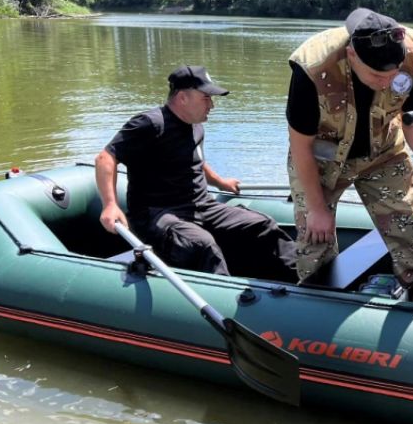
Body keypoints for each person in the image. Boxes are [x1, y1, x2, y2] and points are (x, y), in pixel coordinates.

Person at [285, 7, 413, 288]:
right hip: (322, 161)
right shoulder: (312, 67)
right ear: (352, 55)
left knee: (408, 233)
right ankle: (319, 304)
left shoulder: (409, 53)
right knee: (315, 240)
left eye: (393, 74)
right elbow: (300, 146)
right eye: (376, 76)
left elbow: (412, 119)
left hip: (384, 153)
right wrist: (316, 208)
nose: (386, 82)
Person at [96, 65, 298, 281]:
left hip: (201, 206)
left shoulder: (196, 126)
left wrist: (219, 182)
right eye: (206, 98)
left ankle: (305, 278)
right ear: (183, 97)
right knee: (202, 245)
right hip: (158, 214)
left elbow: (196, 160)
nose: (212, 105)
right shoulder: (151, 124)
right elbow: (106, 158)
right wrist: (110, 204)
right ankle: (228, 300)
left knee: (261, 224)